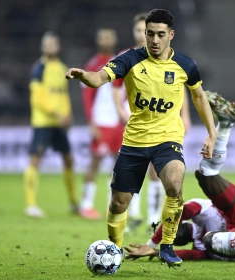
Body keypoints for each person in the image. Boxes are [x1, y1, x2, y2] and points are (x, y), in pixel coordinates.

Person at [66, 9, 217, 267]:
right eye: (150, 34)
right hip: (135, 141)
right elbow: (100, 77)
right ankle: (115, 246)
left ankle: (166, 246)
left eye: (160, 35)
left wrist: (211, 134)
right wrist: (85, 77)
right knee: (118, 203)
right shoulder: (130, 59)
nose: (154, 40)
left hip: (168, 139)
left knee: (174, 183)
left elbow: (199, 96)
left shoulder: (185, 64)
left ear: (171, 35)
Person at [124, 92, 235, 261]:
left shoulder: (198, 210)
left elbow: (180, 211)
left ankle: (225, 123)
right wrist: (159, 251)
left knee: (205, 175)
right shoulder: (199, 244)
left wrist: (152, 244)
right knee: (211, 241)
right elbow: (195, 254)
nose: (174, 234)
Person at [112, 13, 192, 231]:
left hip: (162, 125)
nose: (144, 35)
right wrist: (120, 111)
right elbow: (115, 88)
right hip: (135, 121)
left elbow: (178, 88)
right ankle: (134, 214)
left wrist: (185, 116)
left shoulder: (170, 59)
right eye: (141, 31)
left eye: (144, 30)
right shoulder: (127, 57)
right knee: (132, 173)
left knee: (157, 172)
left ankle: (154, 218)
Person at [24, 31, 77, 218]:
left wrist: (68, 114)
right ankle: (30, 204)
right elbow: (37, 97)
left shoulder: (62, 67)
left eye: (53, 43)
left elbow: (63, 94)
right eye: (47, 44)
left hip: (59, 122)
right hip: (43, 122)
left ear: (58, 46)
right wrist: (56, 114)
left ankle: (73, 203)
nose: (50, 47)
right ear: (42, 47)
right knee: (35, 160)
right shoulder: (39, 68)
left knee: (69, 160)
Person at [79, 28, 121, 220]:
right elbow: (87, 96)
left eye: (109, 36)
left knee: (118, 165)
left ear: (114, 39)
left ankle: (111, 204)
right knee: (95, 161)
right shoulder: (93, 64)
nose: (106, 40)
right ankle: (86, 204)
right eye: (103, 37)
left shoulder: (119, 62)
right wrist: (92, 122)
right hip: (101, 121)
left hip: (118, 122)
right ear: (98, 40)